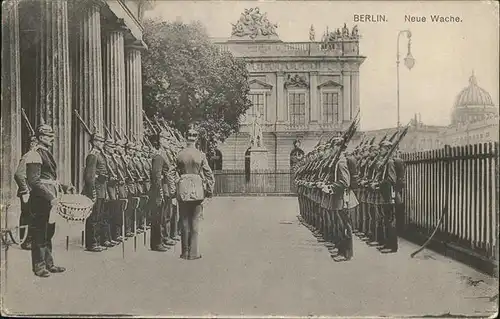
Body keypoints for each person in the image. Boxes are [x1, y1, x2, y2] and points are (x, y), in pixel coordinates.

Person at [25, 122, 75, 277]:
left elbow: (49, 178)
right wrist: (50, 197)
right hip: (41, 199)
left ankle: (49, 263)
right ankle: (39, 267)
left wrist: (65, 187)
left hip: (49, 198)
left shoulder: (45, 152)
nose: (52, 138)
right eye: (49, 136)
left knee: (49, 231)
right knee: (40, 232)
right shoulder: (34, 154)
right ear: (40, 137)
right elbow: (34, 181)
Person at [176, 128, 214, 260]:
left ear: (186, 137)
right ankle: (193, 253)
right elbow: (209, 174)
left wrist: (176, 185)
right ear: (196, 138)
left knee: (184, 221)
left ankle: (184, 252)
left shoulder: (179, 154)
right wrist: (210, 190)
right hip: (197, 190)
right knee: (195, 222)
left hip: (183, 190)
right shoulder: (200, 155)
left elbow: (170, 173)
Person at [82, 129, 111, 252]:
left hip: (102, 189)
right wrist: (92, 191)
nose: (102, 143)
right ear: (94, 142)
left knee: (99, 217)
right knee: (93, 217)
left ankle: (97, 241)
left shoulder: (100, 154)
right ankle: (92, 243)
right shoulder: (93, 155)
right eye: (99, 141)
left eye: (102, 141)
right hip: (95, 189)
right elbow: (89, 176)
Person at [14, 136, 38, 250]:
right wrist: (25, 190)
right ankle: (25, 241)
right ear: (33, 144)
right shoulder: (28, 156)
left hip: (33, 191)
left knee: (32, 216)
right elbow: (19, 174)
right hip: (27, 191)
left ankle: (29, 240)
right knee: (27, 216)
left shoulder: (34, 157)